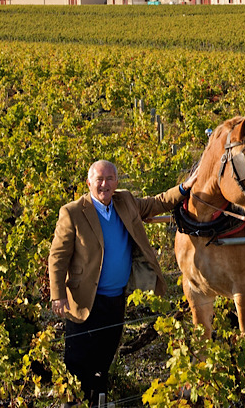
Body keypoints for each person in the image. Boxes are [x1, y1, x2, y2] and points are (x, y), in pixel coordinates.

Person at [48, 160, 195, 406]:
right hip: (84, 300)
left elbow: (156, 202)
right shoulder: (73, 212)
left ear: (117, 182)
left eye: (109, 179)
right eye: (99, 179)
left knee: (103, 360)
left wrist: (184, 187)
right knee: (77, 363)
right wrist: (57, 295)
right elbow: (57, 257)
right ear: (89, 182)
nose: (104, 184)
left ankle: (98, 402)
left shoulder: (124, 201)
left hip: (115, 299)